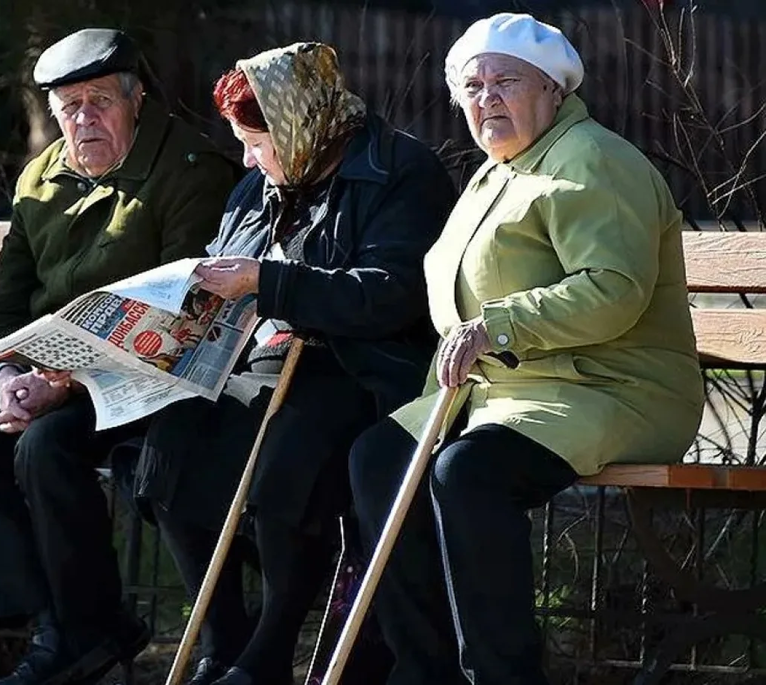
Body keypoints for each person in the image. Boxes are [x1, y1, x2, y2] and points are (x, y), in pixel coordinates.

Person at [348, 13, 704, 685]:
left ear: (553, 89)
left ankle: (502, 674)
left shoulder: (592, 160)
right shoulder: (494, 174)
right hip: (508, 394)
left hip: (612, 387)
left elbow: (613, 288)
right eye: (473, 87)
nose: (487, 99)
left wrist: (497, 327)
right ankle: (425, 672)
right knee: (379, 460)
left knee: (468, 472)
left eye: (506, 82)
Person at [132, 43, 457, 685]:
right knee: (172, 445)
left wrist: (268, 282)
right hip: (262, 362)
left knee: (292, 451)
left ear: (297, 125)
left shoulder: (400, 171)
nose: (248, 161)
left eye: (257, 144)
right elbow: (226, 261)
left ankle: (268, 653)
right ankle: (223, 643)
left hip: (362, 368)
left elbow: (390, 294)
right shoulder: (260, 183)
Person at [0, 28, 240, 685]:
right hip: (53, 378)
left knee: (46, 446)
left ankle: (85, 629)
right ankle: (57, 626)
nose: (84, 119)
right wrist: (6, 374)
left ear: (136, 99)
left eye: (100, 101)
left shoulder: (189, 169)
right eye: (69, 107)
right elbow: (3, 304)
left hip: (151, 379)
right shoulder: (40, 178)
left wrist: (64, 383)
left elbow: (188, 308)